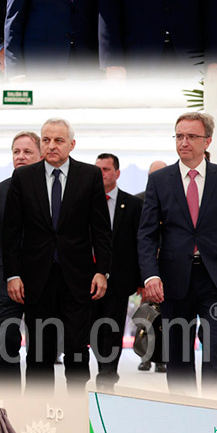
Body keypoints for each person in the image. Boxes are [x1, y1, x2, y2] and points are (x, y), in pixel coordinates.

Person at [2, 117, 111, 385]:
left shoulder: (89, 176)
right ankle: (38, 416)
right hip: (35, 278)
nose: (51, 146)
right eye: (46, 140)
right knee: (39, 352)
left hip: (78, 278)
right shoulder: (23, 177)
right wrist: (12, 275)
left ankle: (77, 411)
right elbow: (11, 231)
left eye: (58, 140)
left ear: (71, 144)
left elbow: (101, 230)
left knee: (76, 350)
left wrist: (102, 272)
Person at [138, 111, 217, 388]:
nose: (184, 142)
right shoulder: (160, 180)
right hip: (174, 280)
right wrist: (151, 276)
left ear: (207, 141)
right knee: (178, 353)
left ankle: (215, 415)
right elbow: (147, 233)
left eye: (192, 136)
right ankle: (183, 413)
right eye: (179, 136)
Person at [0, 132, 41, 386]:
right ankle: (8, 400)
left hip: (43, 280)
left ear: (40, 155)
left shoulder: (52, 190)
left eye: (27, 152)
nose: (21, 157)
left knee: (40, 345)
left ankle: (38, 403)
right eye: (16, 152)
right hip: (5, 279)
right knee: (7, 340)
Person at [92, 153, 143, 385]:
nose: (101, 173)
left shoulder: (133, 205)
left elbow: (140, 243)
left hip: (119, 279)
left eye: (106, 169)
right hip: (88, 278)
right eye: (98, 169)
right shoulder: (84, 201)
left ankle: (108, 373)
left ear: (117, 173)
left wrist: (143, 279)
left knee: (112, 329)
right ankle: (104, 365)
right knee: (92, 328)